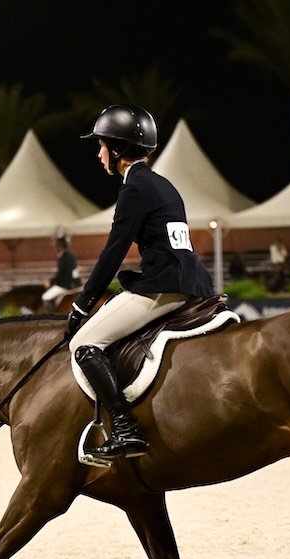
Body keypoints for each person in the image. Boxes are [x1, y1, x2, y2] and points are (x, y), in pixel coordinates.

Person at [66, 104, 215, 459]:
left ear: (117, 149)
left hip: (164, 286)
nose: (99, 154)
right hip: (193, 282)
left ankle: (125, 428)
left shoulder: (135, 188)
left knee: (84, 343)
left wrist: (82, 305)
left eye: (101, 145)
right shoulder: (162, 184)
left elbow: (113, 252)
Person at [41, 233, 81, 312]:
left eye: (56, 246)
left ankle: (52, 315)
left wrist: (51, 282)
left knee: (45, 297)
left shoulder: (64, 258)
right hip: (75, 283)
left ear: (60, 246)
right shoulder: (70, 256)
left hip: (65, 285)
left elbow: (61, 274)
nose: (55, 248)